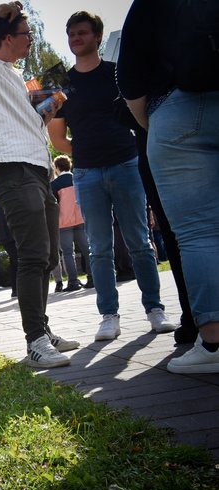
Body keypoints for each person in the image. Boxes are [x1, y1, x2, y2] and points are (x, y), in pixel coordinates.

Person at [0, 2, 79, 368]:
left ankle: (42, 329)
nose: (32, 39)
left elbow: (31, 124)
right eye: (28, 34)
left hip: (39, 170)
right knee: (31, 255)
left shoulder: (18, 77)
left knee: (48, 256)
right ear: (9, 37)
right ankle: (35, 341)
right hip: (13, 171)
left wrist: (48, 107)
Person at [47, 11, 177, 342]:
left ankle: (155, 309)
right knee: (98, 248)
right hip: (87, 173)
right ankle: (108, 316)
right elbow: (58, 140)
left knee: (140, 242)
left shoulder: (118, 72)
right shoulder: (57, 84)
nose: (75, 38)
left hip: (127, 164)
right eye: (70, 33)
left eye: (81, 33)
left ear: (97, 36)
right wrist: (87, 151)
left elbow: (142, 110)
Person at [117, 0, 219, 373]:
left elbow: (129, 76)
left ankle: (214, 344)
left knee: (198, 233)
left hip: (176, 111)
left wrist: (156, 124)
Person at [48, 155, 89, 292]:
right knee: (86, 249)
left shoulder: (55, 185)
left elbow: (53, 205)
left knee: (67, 253)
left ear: (57, 168)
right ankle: (93, 277)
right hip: (81, 219)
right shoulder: (78, 178)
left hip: (63, 222)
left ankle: (73, 281)